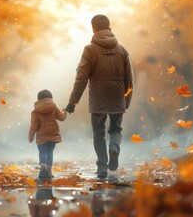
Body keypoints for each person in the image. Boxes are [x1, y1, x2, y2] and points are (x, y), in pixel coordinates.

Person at [66, 14, 134, 179]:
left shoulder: (89, 50)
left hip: (98, 98)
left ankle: (102, 166)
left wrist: (73, 102)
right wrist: (126, 101)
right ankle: (114, 149)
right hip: (117, 97)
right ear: (110, 28)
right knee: (115, 129)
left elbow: (81, 78)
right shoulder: (122, 50)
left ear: (93, 29)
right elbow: (129, 80)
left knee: (98, 132)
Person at [29, 89, 67, 181]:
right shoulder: (54, 107)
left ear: (38, 100)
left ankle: (42, 165)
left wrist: (31, 136)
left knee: (42, 152)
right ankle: (49, 171)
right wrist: (64, 111)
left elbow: (34, 126)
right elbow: (61, 118)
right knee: (50, 152)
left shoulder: (35, 112)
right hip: (53, 135)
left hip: (41, 136)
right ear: (50, 98)